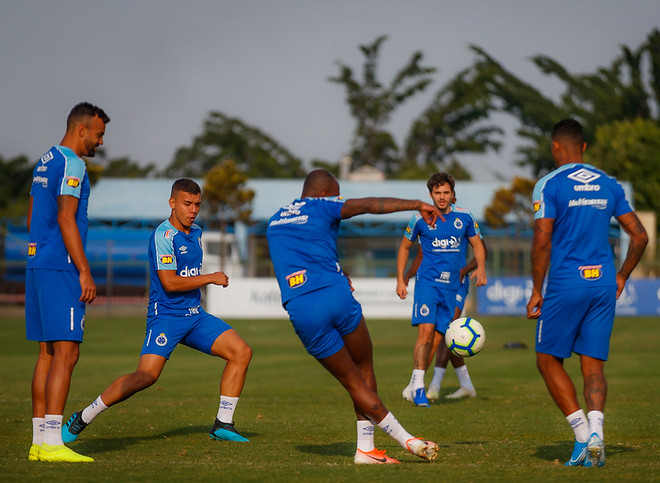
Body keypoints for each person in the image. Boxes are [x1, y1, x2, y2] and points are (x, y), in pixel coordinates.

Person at [266, 169, 440, 464]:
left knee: (351, 381)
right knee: (364, 366)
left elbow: (300, 256)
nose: (338, 198)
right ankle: (405, 439)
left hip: (301, 308)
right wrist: (415, 204)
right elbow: (366, 205)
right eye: (335, 193)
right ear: (322, 193)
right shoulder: (322, 205)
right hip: (335, 295)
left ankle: (366, 451)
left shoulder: (274, 220)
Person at [62, 179, 253, 446]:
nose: (193, 210)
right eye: (187, 204)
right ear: (172, 203)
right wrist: (210, 277)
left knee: (241, 352)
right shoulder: (163, 236)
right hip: (166, 317)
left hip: (195, 316)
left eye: (197, 204)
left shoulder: (196, 232)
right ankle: (84, 416)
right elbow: (170, 282)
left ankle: (223, 423)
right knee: (146, 377)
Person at [526, 119, 648, 468]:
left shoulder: (548, 185)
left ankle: (581, 435)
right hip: (602, 282)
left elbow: (542, 240)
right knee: (592, 364)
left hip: (566, 282)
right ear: (584, 147)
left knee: (547, 360)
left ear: (555, 148)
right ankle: (598, 431)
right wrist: (622, 275)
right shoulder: (609, 184)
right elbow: (639, 236)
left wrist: (536, 290)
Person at [26, 102, 109, 463]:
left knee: (46, 353)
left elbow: (32, 213)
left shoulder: (44, 160)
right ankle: (53, 444)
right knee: (68, 352)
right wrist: (84, 270)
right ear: (81, 129)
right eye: (99, 134)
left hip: (37, 263)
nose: (100, 142)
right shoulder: (73, 164)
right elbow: (66, 216)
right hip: (61, 268)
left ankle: (38, 441)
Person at [396, 172, 487, 407]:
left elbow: (478, 244)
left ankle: (419, 384)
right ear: (430, 195)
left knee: (440, 338)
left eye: (446, 192)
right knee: (425, 334)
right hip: (428, 284)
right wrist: (401, 278)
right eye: (437, 193)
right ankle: (419, 388)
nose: (442, 197)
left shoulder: (464, 218)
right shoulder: (419, 220)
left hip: (452, 287)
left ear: (453, 194)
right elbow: (406, 247)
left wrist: (481, 269)